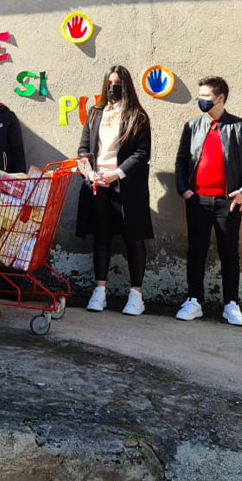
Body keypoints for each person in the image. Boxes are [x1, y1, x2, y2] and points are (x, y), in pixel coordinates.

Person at [174, 76, 242, 326]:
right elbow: (181, 159)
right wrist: (184, 190)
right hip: (198, 200)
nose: (200, 100)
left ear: (220, 98)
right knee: (196, 252)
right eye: (199, 96)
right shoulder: (192, 126)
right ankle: (193, 301)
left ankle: (231, 304)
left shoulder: (240, 127)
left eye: (205, 97)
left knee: (229, 253)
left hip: (228, 202)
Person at [76, 65, 153, 314]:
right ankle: (100, 291)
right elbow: (84, 149)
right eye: (109, 82)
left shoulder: (137, 116)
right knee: (102, 237)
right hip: (98, 185)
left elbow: (142, 154)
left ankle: (136, 295)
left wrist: (116, 174)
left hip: (127, 186)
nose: (113, 86)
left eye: (117, 82)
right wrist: (88, 171)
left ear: (126, 85)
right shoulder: (96, 112)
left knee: (134, 238)